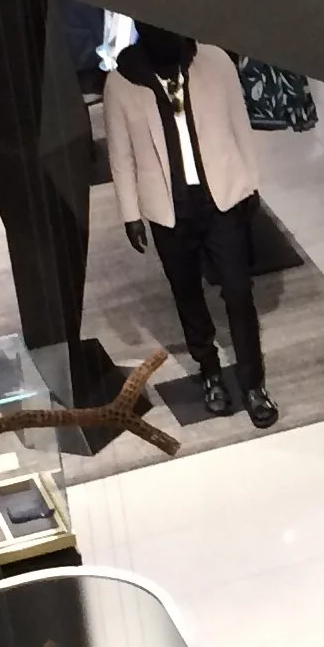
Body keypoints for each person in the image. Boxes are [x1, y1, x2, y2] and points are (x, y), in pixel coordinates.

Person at [102, 25, 277, 429]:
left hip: (221, 198)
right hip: (168, 206)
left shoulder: (213, 61)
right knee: (187, 294)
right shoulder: (123, 80)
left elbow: (238, 124)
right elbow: (121, 153)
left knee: (238, 290)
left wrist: (250, 182)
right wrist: (130, 212)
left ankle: (254, 383)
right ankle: (210, 372)